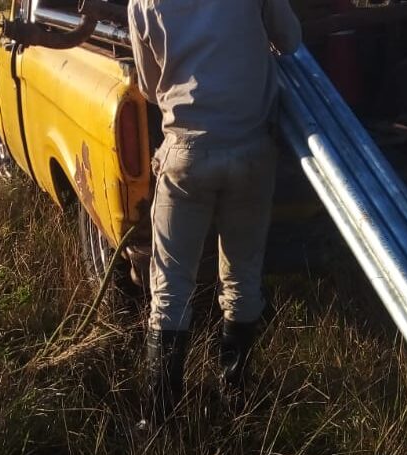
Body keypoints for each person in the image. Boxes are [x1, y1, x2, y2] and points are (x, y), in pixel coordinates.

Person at [128, 0, 302, 429]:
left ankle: (160, 417)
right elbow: (291, 40)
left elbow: (150, 88)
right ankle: (235, 389)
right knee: (243, 276)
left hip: (185, 153)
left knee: (171, 286)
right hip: (251, 152)